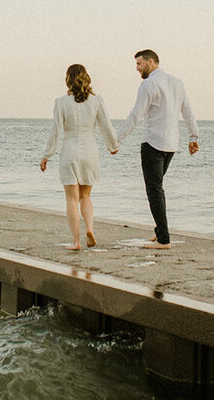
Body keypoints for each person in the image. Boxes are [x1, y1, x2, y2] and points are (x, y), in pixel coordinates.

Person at [115, 49, 199, 249]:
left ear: (151, 62)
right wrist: (193, 136)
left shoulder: (149, 84)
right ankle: (160, 230)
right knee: (158, 189)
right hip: (171, 145)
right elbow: (187, 111)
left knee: (154, 191)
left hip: (152, 144)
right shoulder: (177, 82)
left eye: (139, 64)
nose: (137, 68)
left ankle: (163, 239)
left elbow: (136, 114)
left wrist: (116, 139)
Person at [40, 64, 120, 250]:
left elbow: (56, 131)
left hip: (70, 151)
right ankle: (90, 229)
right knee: (86, 196)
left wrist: (47, 155)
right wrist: (113, 145)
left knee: (71, 199)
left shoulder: (61, 102)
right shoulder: (96, 100)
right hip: (89, 151)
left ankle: (76, 242)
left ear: (68, 79)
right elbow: (106, 126)